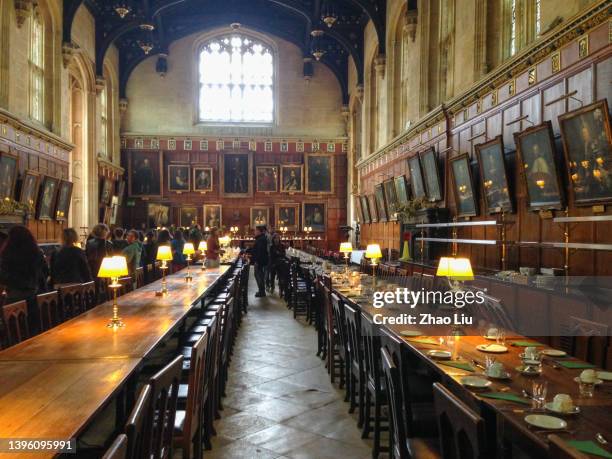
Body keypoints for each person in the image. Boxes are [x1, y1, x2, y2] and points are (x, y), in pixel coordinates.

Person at [0, 226, 49, 334]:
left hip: (14, 298)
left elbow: (3, 277)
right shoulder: (37, 252)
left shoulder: (6, 253)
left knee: (14, 332)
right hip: (34, 296)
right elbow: (45, 272)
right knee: (34, 331)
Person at [248, 225, 269, 297]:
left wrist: (256, 260)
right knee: (259, 275)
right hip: (260, 260)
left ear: (259, 231)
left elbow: (260, 251)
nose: (254, 232)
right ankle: (261, 291)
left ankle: (262, 291)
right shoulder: (260, 238)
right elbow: (255, 249)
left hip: (260, 261)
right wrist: (248, 251)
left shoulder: (261, 239)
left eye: (255, 230)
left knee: (259, 276)